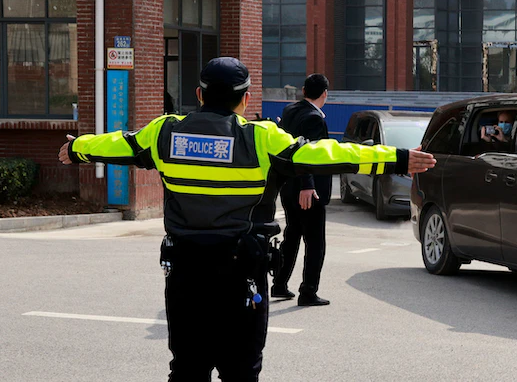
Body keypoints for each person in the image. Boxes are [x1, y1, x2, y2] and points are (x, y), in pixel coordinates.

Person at [59, 57, 435, 382]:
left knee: (187, 370)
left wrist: (77, 148)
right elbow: (327, 154)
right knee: (241, 372)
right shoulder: (260, 138)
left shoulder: (165, 131)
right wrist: (398, 158)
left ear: (199, 94)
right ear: (246, 99)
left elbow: (119, 143)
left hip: (185, 275)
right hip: (240, 274)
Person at [272, 73, 332, 307]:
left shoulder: (290, 111)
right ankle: (308, 291)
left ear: (304, 91)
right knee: (315, 243)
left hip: (288, 186)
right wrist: (308, 185)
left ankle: (279, 283)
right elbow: (306, 153)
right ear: (324, 94)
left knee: (293, 235)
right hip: (308, 190)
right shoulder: (314, 118)